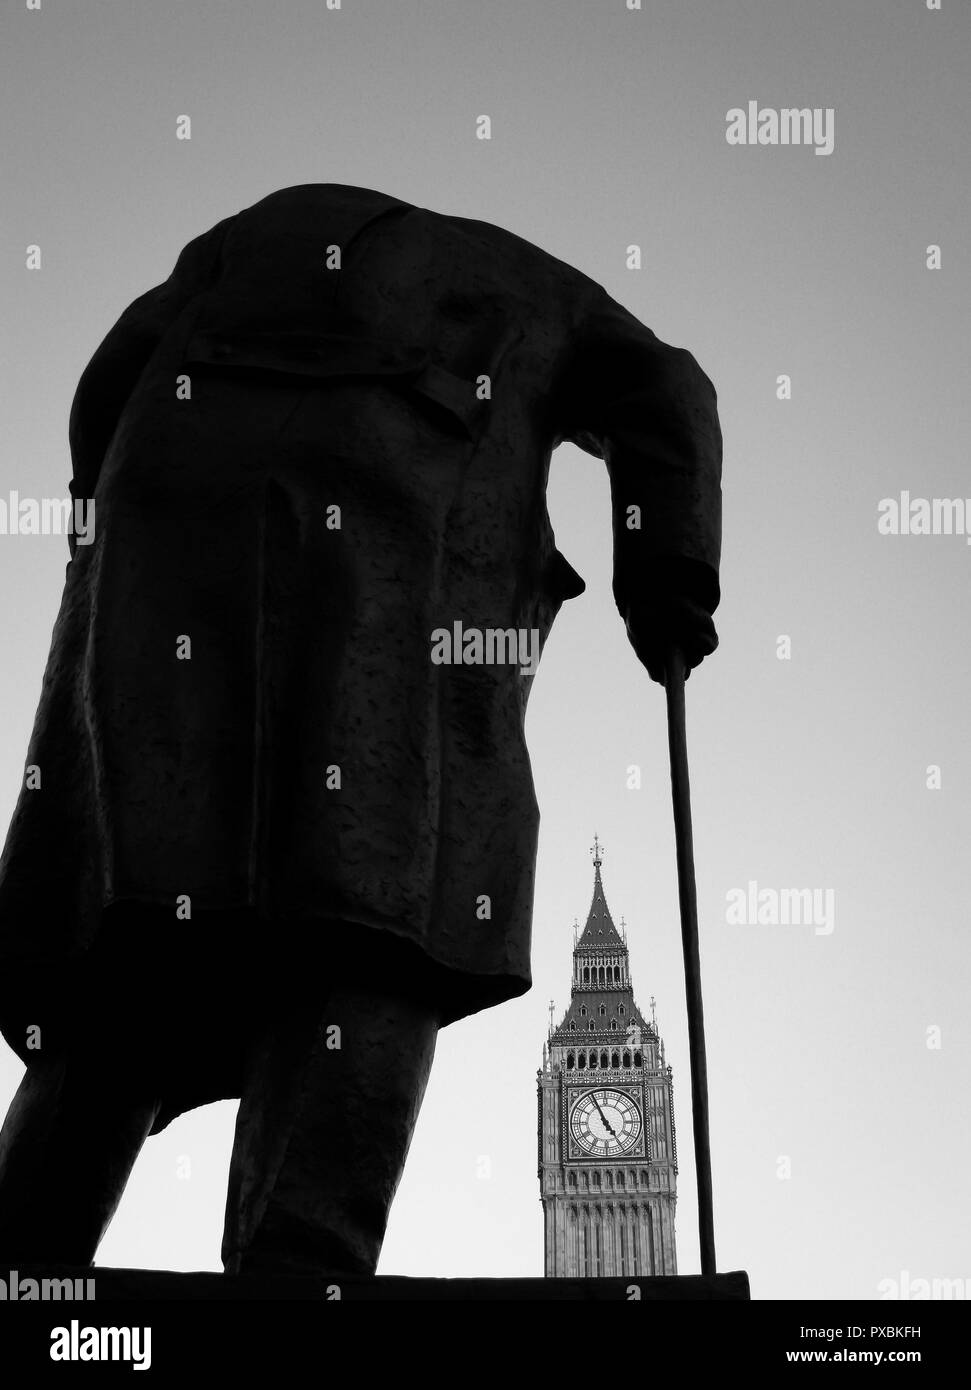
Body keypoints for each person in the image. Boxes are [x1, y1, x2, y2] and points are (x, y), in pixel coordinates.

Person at [0, 184, 721, 1277]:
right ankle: (298, 1272)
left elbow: (107, 381)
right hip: (387, 556)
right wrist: (668, 577)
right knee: (374, 918)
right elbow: (663, 385)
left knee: (134, 938)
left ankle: (23, 1251)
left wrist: (97, 531)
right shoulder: (537, 290)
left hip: (166, 538)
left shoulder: (232, 247)